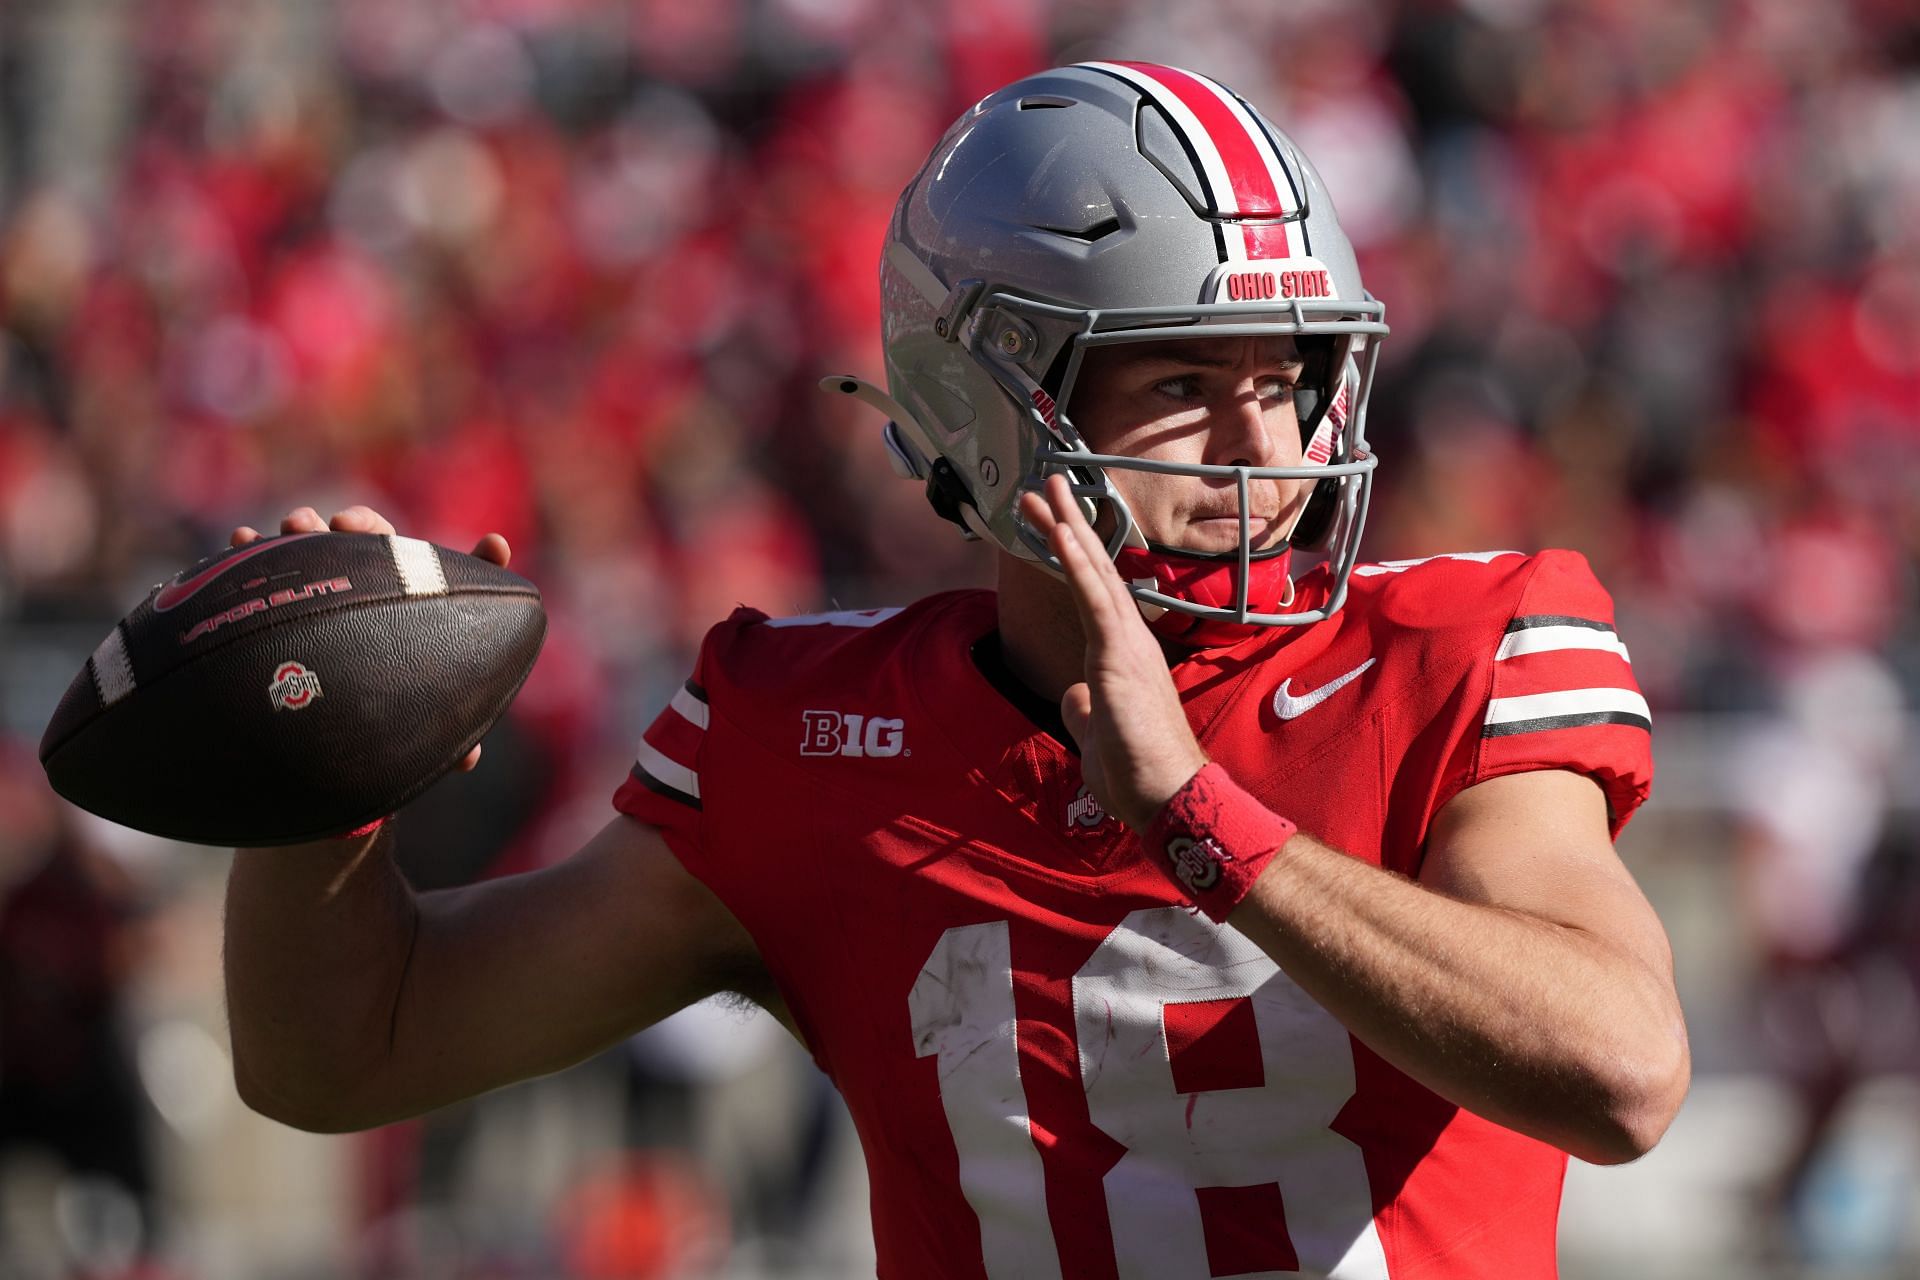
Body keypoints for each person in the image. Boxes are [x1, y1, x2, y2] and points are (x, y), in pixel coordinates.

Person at [224, 62, 1689, 1278]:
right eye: (1182, 383)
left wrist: (1198, 813)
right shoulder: (806, 738)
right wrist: (316, 786)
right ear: (978, 407)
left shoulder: (1455, 651)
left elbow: (1621, 1074)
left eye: (1287, 378)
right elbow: (346, 1058)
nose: (1264, 455)